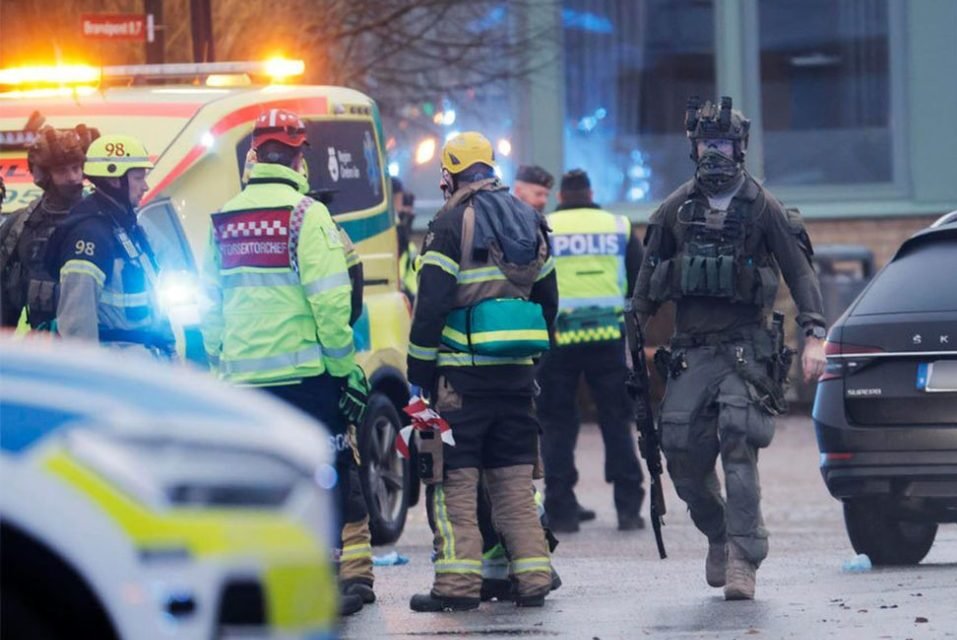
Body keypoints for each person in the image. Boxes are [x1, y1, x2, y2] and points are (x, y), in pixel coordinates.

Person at [630, 97, 826, 601]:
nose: (713, 154)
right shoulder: (676, 209)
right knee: (679, 453)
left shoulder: (764, 207)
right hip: (692, 349)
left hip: (745, 347)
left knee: (738, 441)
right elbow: (648, 284)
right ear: (692, 148)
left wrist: (814, 335)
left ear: (739, 148)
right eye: (705, 144)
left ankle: (744, 556)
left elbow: (801, 273)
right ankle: (718, 533)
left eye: (722, 144)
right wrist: (631, 334)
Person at [201, 109, 373, 617]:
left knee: (259, 482)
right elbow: (329, 303)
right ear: (299, 157)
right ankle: (320, 582)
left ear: (253, 156)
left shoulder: (226, 218)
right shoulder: (306, 215)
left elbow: (211, 305)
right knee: (326, 474)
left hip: (244, 381)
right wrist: (346, 371)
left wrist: (220, 362)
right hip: (307, 380)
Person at [407, 131, 557, 612]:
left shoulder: (450, 221)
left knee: (454, 487)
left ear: (450, 174)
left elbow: (430, 305)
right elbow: (548, 301)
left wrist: (419, 372)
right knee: (514, 485)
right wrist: (530, 360)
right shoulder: (530, 218)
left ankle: (455, 587)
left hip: (460, 383)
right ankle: (533, 579)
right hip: (515, 379)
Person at [536, 168, 645, 533]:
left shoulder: (544, 226)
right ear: (591, 192)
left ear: (562, 197)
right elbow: (639, 278)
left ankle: (562, 508)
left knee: (557, 425)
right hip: (607, 336)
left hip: (558, 339)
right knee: (616, 421)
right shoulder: (618, 226)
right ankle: (628, 508)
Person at [45, 134, 174, 356]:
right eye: (138, 178)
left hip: (146, 364)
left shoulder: (127, 227)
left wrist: (171, 354)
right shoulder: (89, 236)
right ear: (115, 180)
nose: (145, 186)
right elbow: (77, 326)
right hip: (118, 369)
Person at [1, 122, 97, 330]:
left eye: (76, 168)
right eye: (62, 171)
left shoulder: (102, 218)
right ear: (44, 175)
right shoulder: (19, 226)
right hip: (43, 346)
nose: (72, 177)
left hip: (97, 344)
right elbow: (4, 298)